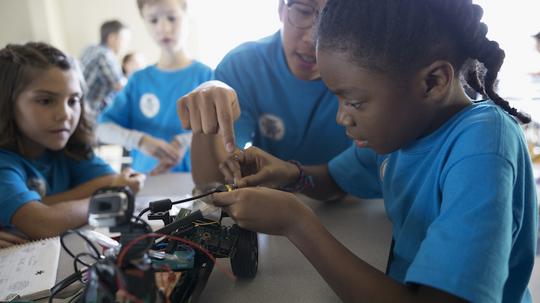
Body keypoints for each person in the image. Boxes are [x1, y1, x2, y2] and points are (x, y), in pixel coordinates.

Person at [205, 0, 538, 302]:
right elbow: (335, 180)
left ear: (433, 82)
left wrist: (296, 223)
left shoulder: (483, 146)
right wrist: (289, 173)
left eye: (354, 101)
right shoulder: (405, 130)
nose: (341, 117)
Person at [178, 0, 351, 186]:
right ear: (281, 9)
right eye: (303, 12)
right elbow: (215, 182)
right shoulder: (242, 66)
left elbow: (364, 175)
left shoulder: (364, 73)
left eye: (333, 19)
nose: (312, 38)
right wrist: (208, 112)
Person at [0, 42, 145, 240]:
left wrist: (42, 204)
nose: (65, 114)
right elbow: (44, 224)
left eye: (73, 100)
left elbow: (109, 180)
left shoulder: (68, 147)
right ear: (6, 103)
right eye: (45, 101)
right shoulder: (3, 163)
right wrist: (106, 198)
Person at [97, 0, 213, 175]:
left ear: (187, 15)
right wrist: (140, 140)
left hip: (196, 180)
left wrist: (185, 142)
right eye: (153, 20)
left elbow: (225, 130)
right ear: (144, 21)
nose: (164, 28)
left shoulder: (207, 77)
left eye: (172, 18)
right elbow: (102, 128)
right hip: (147, 182)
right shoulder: (139, 81)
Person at [80, 20, 130, 114]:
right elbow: (123, 88)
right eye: (124, 40)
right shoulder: (105, 55)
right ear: (112, 38)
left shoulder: (90, 48)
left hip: (81, 108)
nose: (126, 45)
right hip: (92, 113)